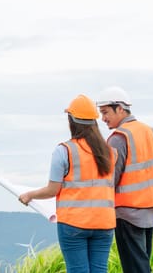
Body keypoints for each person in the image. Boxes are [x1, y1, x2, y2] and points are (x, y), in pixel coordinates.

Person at [19, 94, 117, 273]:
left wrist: (29, 195)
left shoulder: (64, 151)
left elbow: (52, 190)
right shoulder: (110, 153)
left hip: (74, 224)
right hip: (104, 223)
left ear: (71, 120)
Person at [96, 86, 153, 273]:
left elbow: (110, 179)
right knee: (142, 263)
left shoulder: (119, 137)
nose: (103, 118)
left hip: (129, 212)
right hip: (151, 208)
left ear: (120, 108)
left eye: (105, 112)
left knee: (135, 268)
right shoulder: (150, 132)